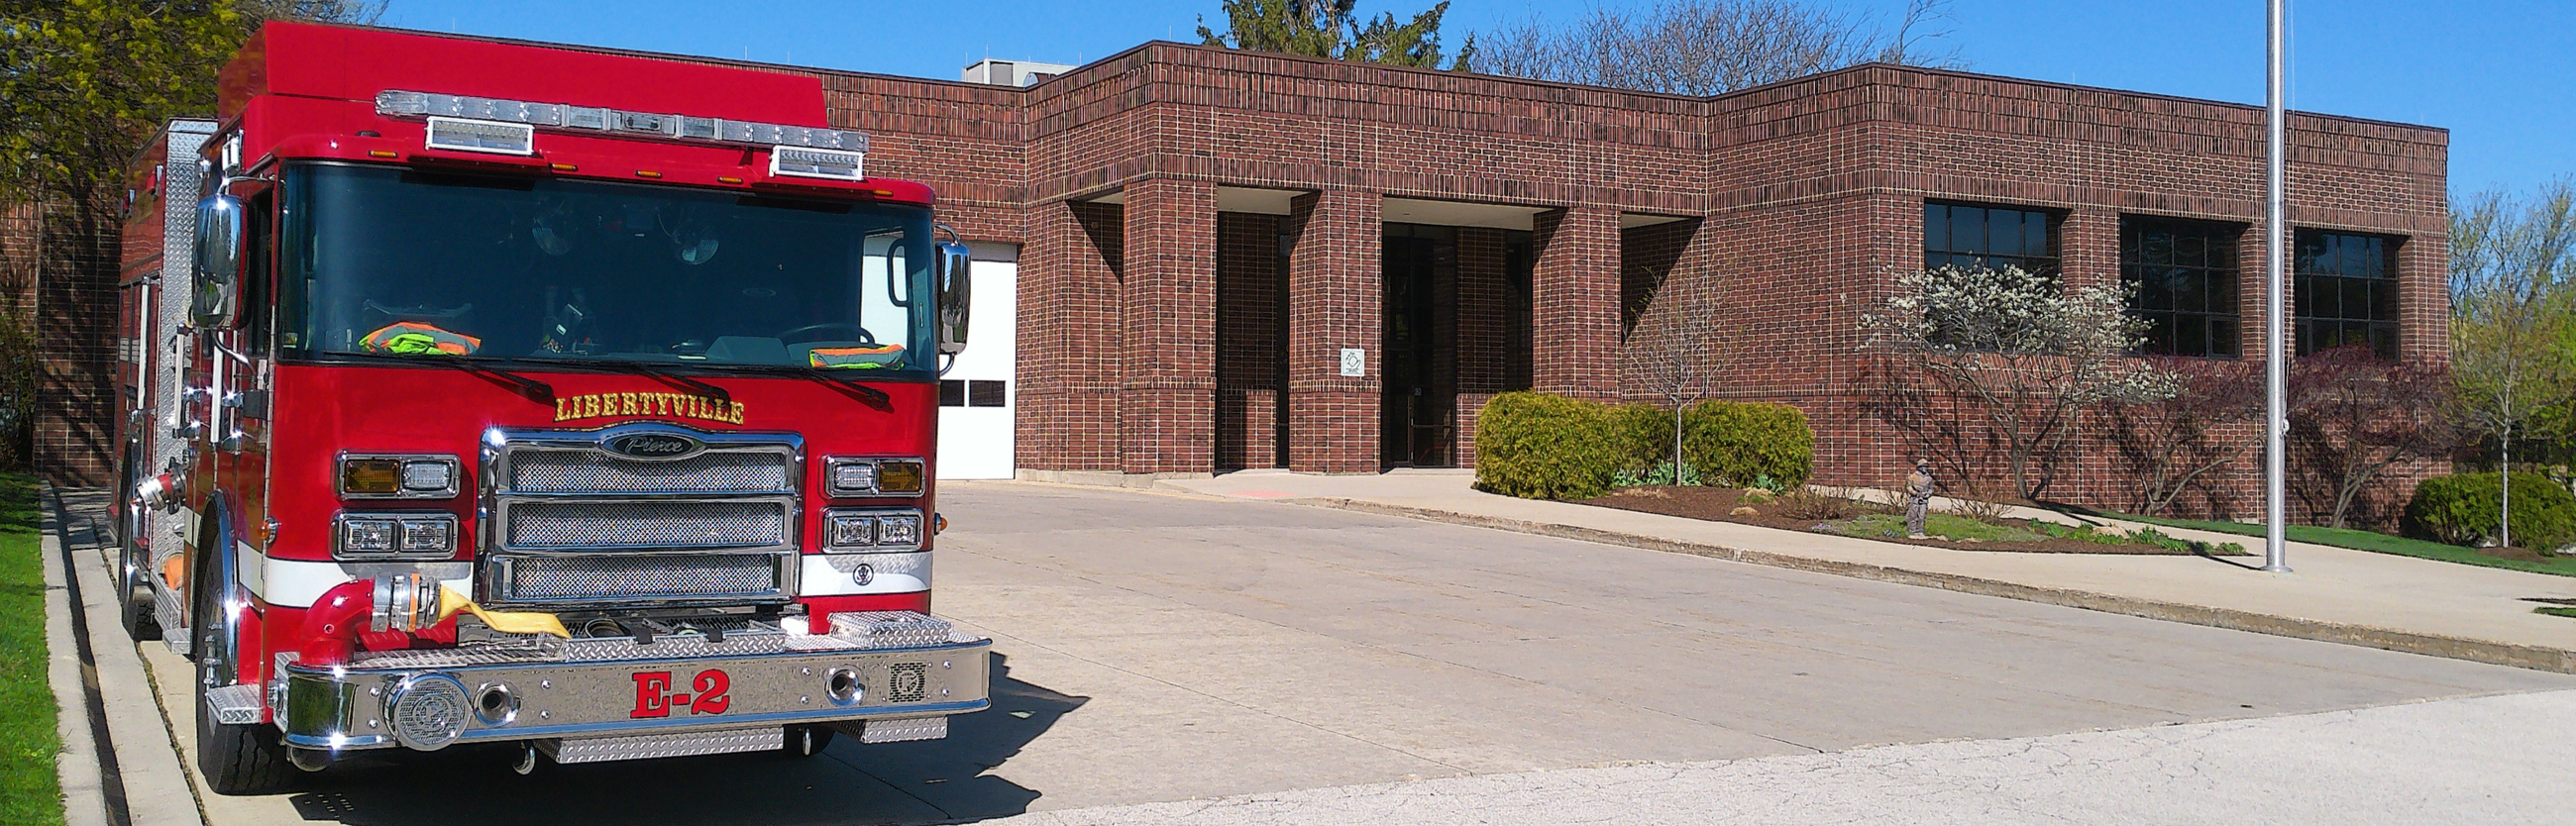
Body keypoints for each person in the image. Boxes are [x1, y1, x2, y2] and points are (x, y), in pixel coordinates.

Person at [1904, 459, 1936, 539]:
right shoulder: (1913, 477)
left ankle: (1920, 530)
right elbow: (1909, 486)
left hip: (1924, 500)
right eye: (1923, 466)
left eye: (1926, 467)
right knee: (1913, 514)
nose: (1925, 468)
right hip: (1914, 499)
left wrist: (1927, 494)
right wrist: (1914, 492)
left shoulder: (1929, 479)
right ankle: (1912, 530)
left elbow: (1931, 489)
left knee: (1922, 515)